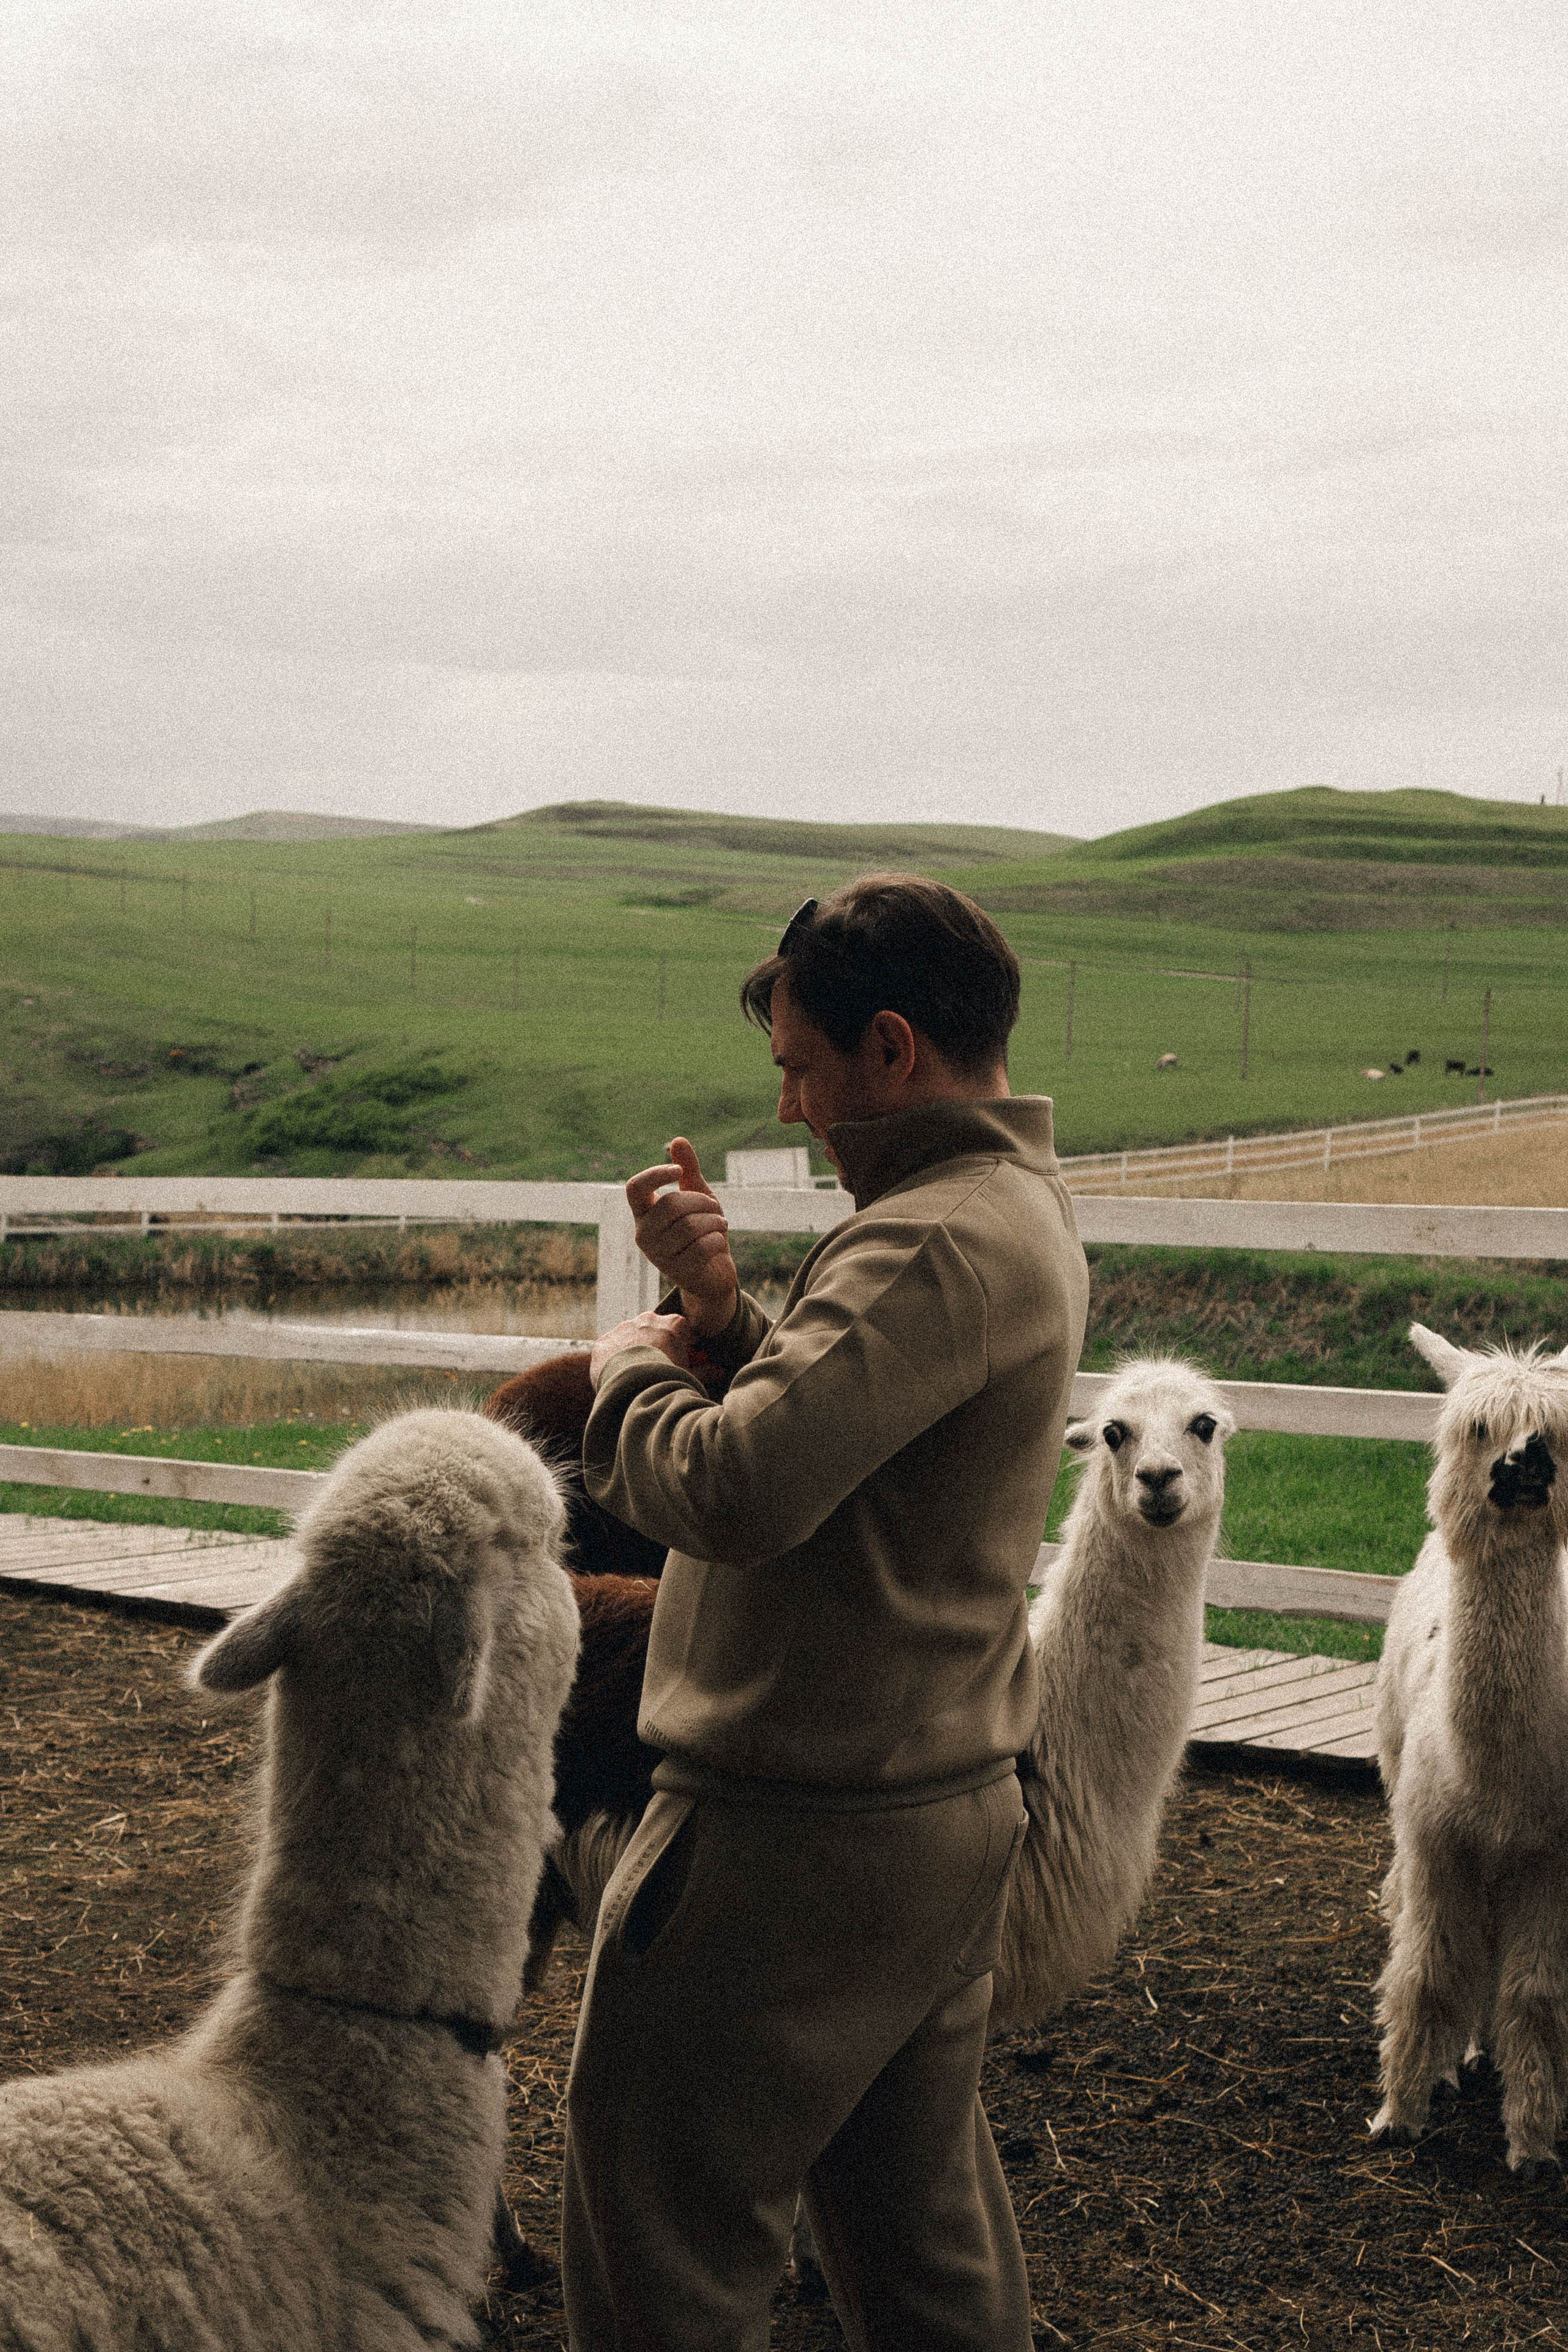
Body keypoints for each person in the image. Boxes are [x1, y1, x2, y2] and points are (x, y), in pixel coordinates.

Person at [561, 873, 1090, 2352]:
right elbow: (857, 1439)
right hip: (925, 1815)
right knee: (918, 2249)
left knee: (659, 2239)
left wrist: (633, 1367)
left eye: (800, 1067)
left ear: (895, 1048)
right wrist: (727, 1323)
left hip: (788, 1838)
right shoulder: (1007, 1209)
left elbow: (734, 1491)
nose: (790, 1108)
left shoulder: (920, 1238)